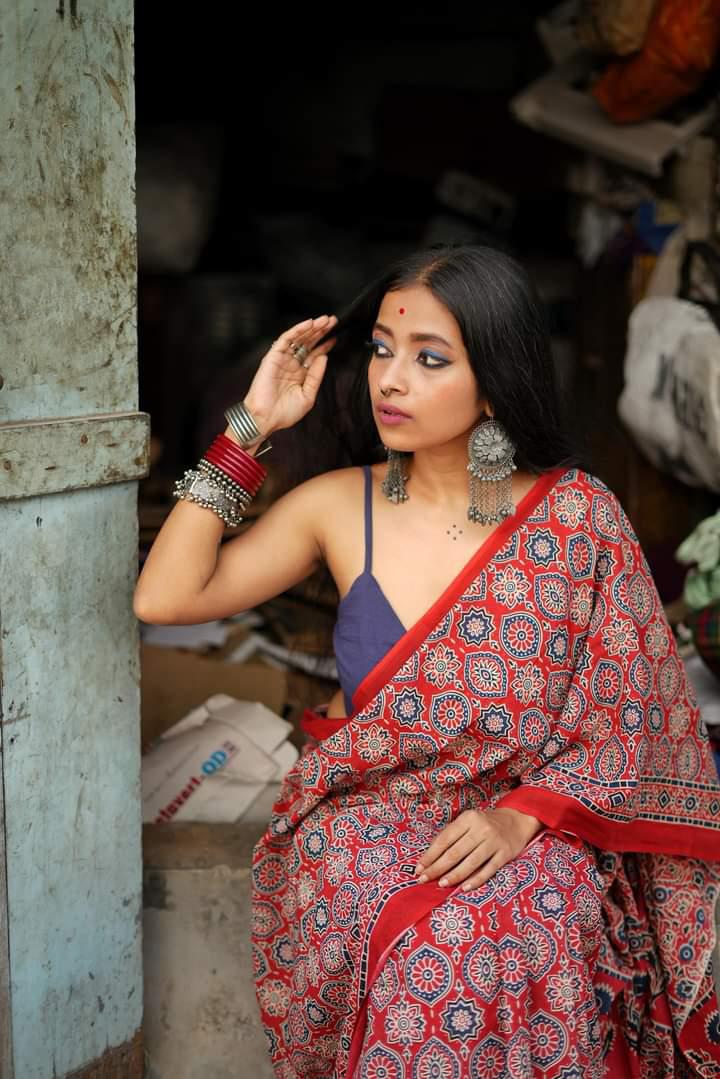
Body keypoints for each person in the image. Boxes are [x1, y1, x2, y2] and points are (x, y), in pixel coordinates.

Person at [134, 245, 720, 1078]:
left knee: (524, 924)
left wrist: (520, 817)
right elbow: (164, 598)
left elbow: (634, 722)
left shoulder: (576, 519)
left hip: (534, 822)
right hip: (371, 815)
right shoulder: (339, 506)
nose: (391, 379)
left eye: (429, 358)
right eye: (382, 350)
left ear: (495, 379)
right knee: (421, 942)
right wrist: (250, 426)